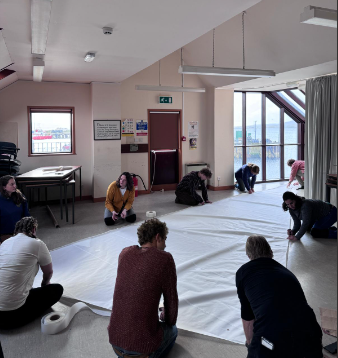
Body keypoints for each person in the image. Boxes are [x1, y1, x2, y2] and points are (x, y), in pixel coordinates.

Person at [236, 235, 323, 358]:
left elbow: (248, 318)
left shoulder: (242, 273)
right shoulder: (287, 273)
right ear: (271, 253)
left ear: (249, 256)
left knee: (265, 347)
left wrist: (250, 344)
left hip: (270, 339)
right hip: (311, 333)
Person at [108, 218, 179, 358]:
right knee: (173, 330)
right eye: (164, 239)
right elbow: (172, 302)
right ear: (157, 237)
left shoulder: (124, 253)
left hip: (115, 342)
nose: (165, 245)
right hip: (142, 350)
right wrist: (168, 319)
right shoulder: (164, 259)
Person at [0, 217, 63, 329]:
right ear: (33, 229)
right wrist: (45, 284)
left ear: (16, 230)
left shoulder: (4, 244)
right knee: (57, 289)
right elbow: (49, 272)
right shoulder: (37, 243)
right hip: (11, 316)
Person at [0, 175, 30, 243]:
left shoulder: (20, 196)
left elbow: (26, 214)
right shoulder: (1, 201)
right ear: (4, 187)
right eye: (11, 184)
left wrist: (29, 228)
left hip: (20, 232)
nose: (15, 186)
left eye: (15, 183)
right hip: (5, 234)